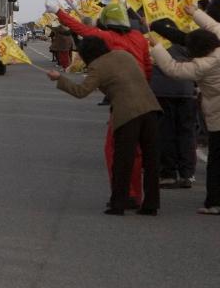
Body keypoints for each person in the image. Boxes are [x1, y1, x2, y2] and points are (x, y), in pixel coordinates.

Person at [151, 0, 220, 215]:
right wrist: (195, 12)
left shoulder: (202, 65)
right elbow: (215, 26)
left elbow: (173, 70)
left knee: (218, 160)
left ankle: (216, 202)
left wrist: (157, 47)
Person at [48, 36, 160, 216]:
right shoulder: (124, 55)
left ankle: (118, 203)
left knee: (123, 161)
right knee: (151, 160)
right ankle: (151, 204)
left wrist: (60, 78)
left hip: (127, 114)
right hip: (151, 109)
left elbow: (81, 91)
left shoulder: (97, 67)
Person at [148, 19, 197, 189]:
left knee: (165, 132)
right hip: (186, 90)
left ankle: (168, 173)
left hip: (162, 91)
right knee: (186, 133)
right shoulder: (188, 43)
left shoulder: (154, 41)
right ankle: (187, 173)